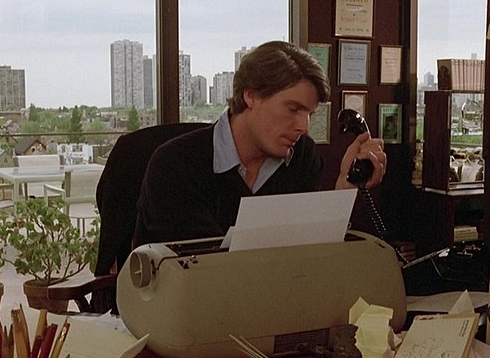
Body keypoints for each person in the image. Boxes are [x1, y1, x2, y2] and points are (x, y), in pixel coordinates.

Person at [132, 40, 387, 246]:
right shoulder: (175, 165)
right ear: (251, 96)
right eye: (293, 109)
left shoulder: (302, 156)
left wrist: (345, 189)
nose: (304, 126)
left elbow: (305, 253)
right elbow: (206, 267)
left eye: (309, 114)